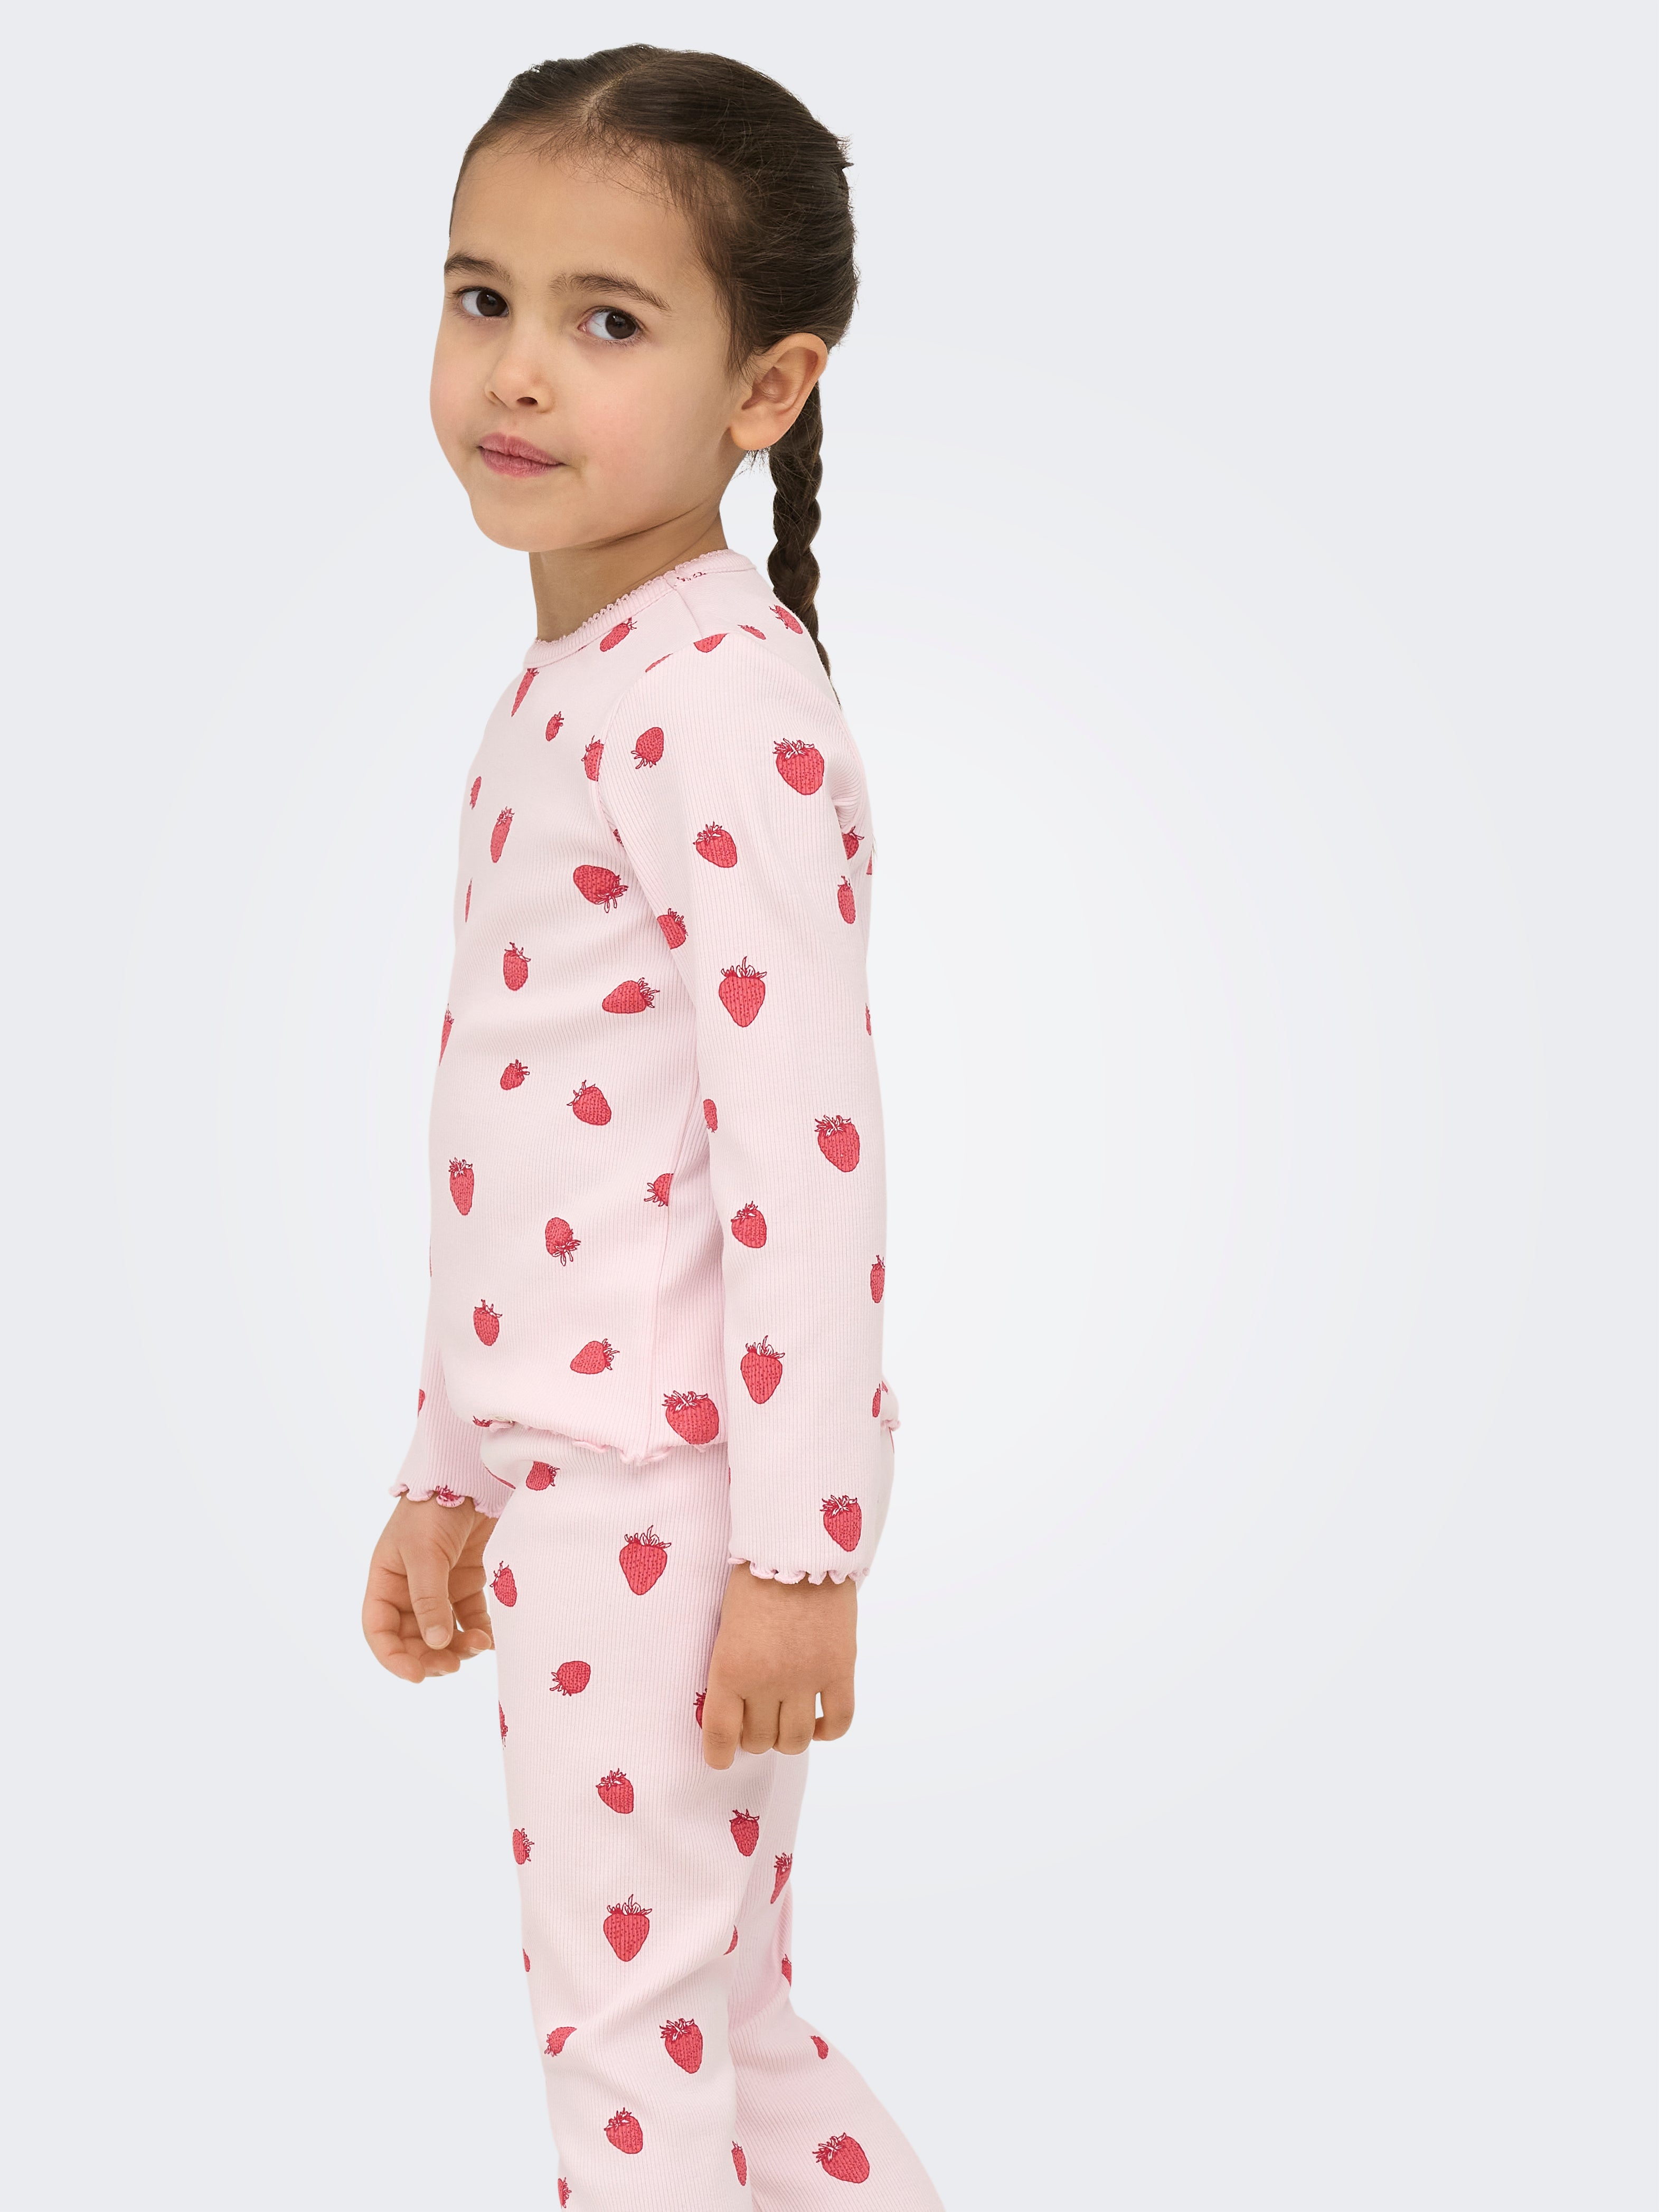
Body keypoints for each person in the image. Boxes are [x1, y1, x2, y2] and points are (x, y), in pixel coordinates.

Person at [359, 45, 944, 2209]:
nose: (518, 369)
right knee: (720, 2018)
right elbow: (525, 1143)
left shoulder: (715, 695)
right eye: (483, 296)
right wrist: (448, 1462)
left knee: (630, 2034)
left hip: (672, 1503)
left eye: (609, 320)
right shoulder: (586, 681)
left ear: (764, 389)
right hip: (578, 1475)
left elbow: (809, 1146)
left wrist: (799, 1552)